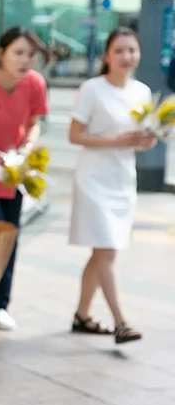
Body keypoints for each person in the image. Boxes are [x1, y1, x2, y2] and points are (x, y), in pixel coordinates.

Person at [68, 27, 155, 344]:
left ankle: (82, 314)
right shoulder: (92, 89)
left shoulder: (142, 92)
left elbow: (141, 137)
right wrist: (113, 141)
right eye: (119, 50)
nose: (126, 56)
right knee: (106, 251)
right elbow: (74, 135)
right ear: (107, 55)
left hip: (122, 179)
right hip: (94, 179)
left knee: (103, 253)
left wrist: (145, 141)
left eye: (132, 50)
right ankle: (121, 321)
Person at [0, 26, 50, 331]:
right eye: (18, 53)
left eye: (30, 55)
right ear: (1, 54)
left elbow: (34, 123)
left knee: (8, 242)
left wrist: (27, 146)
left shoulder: (35, 84)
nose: (25, 60)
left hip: (12, 176)